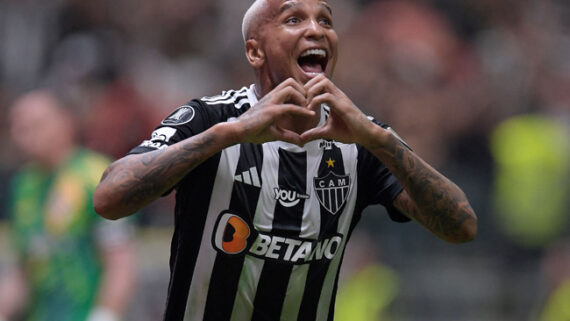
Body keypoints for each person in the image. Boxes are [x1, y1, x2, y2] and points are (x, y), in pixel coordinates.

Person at [94, 0, 477, 320]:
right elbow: (109, 197)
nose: (316, 29)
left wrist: (381, 140)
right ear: (255, 51)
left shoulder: (362, 139)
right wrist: (229, 135)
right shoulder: (211, 119)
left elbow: (461, 226)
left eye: (325, 20)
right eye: (294, 19)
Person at [1, 90, 136, 321]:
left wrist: (105, 315)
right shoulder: (24, 186)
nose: (23, 134)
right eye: (18, 126)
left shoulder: (97, 176)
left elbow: (120, 261)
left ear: (66, 122)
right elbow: (24, 266)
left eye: (36, 124)